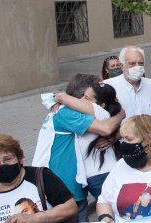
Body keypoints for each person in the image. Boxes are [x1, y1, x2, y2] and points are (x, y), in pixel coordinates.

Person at [45, 76, 125, 211]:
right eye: (81, 96)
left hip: (101, 175)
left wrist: (58, 98)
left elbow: (107, 129)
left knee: (116, 214)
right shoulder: (105, 114)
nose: (81, 100)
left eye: (86, 98)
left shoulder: (99, 113)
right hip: (103, 173)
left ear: (102, 105)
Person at [103, 46, 151, 119]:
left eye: (140, 63)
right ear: (122, 66)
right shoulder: (108, 86)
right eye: (132, 63)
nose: (137, 67)